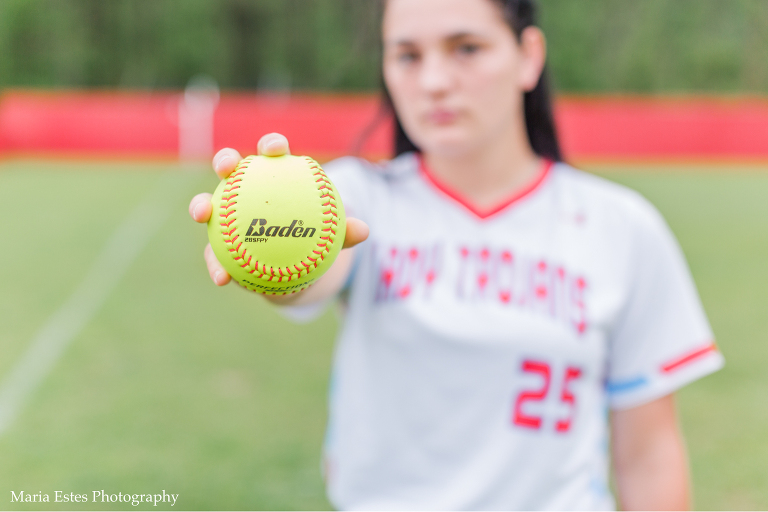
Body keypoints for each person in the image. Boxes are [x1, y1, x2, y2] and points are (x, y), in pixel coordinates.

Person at [189, 0, 724, 509]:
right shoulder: (357, 198)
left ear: (528, 56)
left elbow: (649, 457)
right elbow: (319, 268)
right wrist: (274, 270)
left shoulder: (621, 227)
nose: (434, 82)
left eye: (466, 48)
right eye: (406, 55)